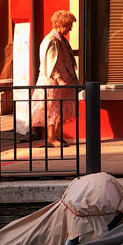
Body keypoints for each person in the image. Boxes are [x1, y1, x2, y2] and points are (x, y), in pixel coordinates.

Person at [34, 9, 79, 146]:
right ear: (59, 24)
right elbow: (52, 63)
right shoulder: (52, 40)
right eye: (69, 25)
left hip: (61, 81)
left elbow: (61, 58)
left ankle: (57, 136)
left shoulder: (60, 40)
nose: (70, 28)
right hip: (54, 82)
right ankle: (51, 138)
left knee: (59, 109)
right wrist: (60, 80)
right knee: (52, 109)